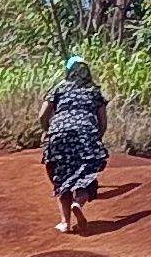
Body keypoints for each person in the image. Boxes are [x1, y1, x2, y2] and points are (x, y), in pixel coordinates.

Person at [41, 55, 109, 232]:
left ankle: (65, 223)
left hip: (59, 135)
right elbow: (103, 121)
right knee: (86, 173)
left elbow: (42, 115)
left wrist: (48, 130)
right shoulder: (94, 91)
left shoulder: (58, 89)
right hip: (86, 134)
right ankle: (78, 202)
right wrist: (96, 139)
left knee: (61, 177)